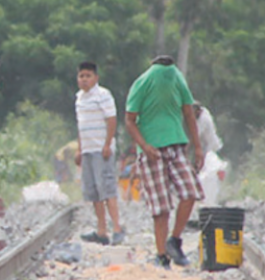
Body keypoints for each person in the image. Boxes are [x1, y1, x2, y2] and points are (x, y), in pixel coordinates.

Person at [125, 55, 204, 268]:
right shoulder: (143, 83)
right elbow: (130, 120)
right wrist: (145, 146)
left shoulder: (177, 78)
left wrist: (197, 147)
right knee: (161, 207)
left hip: (176, 145)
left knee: (190, 192)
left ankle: (174, 241)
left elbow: (189, 113)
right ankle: (161, 256)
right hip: (151, 151)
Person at [74, 61, 125, 246]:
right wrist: (79, 149)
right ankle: (101, 231)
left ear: (96, 78)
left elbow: (111, 120)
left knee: (107, 189)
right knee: (94, 192)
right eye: (81, 76)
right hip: (87, 150)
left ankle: (117, 228)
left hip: (101, 150)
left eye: (88, 76)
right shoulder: (79, 98)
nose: (85, 79)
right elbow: (81, 126)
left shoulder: (103, 95)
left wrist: (107, 144)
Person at [193, 102, 228, 207]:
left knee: (210, 173)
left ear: (198, 111)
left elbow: (194, 136)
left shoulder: (204, 120)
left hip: (211, 149)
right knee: (205, 174)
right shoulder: (203, 112)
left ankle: (208, 198)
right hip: (206, 148)